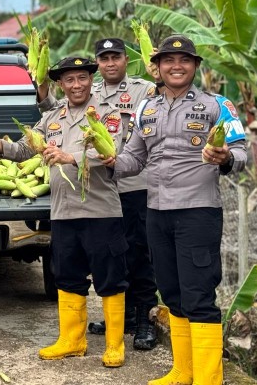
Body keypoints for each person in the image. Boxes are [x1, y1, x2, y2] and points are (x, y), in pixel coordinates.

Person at [105, 35, 248, 385]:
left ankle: (208, 379)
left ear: (195, 66)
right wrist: (107, 160)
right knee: (170, 291)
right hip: (156, 212)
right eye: (169, 60)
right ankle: (183, 371)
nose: (176, 66)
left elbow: (243, 153)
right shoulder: (146, 109)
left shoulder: (218, 105)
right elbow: (134, 157)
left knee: (199, 294)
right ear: (159, 67)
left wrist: (226, 157)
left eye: (184, 60)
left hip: (197, 212)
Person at [0, 56, 128, 368]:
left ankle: (114, 345)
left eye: (81, 78)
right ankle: (72, 340)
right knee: (67, 275)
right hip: (63, 212)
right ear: (61, 84)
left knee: (109, 277)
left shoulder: (107, 113)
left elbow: (110, 150)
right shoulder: (52, 117)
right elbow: (24, 149)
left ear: (91, 79)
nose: (75, 85)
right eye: (69, 80)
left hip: (101, 210)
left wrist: (69, 156)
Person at [85, 38, 159, 350]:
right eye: (104, 58)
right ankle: (123, 315)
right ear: (98, 63)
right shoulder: (89, 92)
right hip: (102, 187)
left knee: (139, 252)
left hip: (135, 184)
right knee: (111, 253)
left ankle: (145, 318)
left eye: (116, 57)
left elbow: (166, 97)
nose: (110, 63)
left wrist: (159, 71)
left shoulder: (144, 89)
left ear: (126, 60)